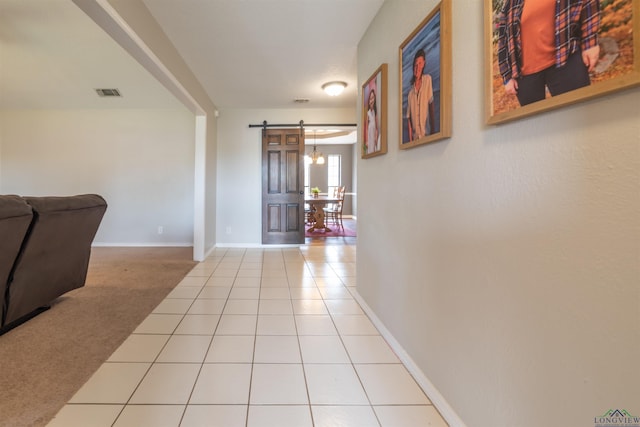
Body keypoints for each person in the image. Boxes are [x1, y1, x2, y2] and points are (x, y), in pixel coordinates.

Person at [497, 0, 601, 106]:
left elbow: (588, 3)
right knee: (535, 121)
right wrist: (507, 76)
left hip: (565, 60)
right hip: (525, 75)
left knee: (579, 112)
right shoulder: (511, 3)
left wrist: (590, 42)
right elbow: (503, 39)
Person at [406, 48, 436, 141]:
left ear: (423, 64)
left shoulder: (427, 80)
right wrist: (410, 141)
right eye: (415, 64)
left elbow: (431, 105)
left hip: (426, 135)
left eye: (419, 64)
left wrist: (433, 132)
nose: (417, 67)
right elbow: (409, 119)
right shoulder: (410, 93)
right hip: (416, 139)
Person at [364, 88, 380, 154]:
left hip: (374, 130)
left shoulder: (375, 111)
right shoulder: (368, 112)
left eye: (373, 98)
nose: (371, 100)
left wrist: (376, 135)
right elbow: (367, 127)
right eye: (370, 98)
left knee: (374, 146)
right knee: (370, 146)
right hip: (370, 131)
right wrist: (367, 140)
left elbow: (376, 126)